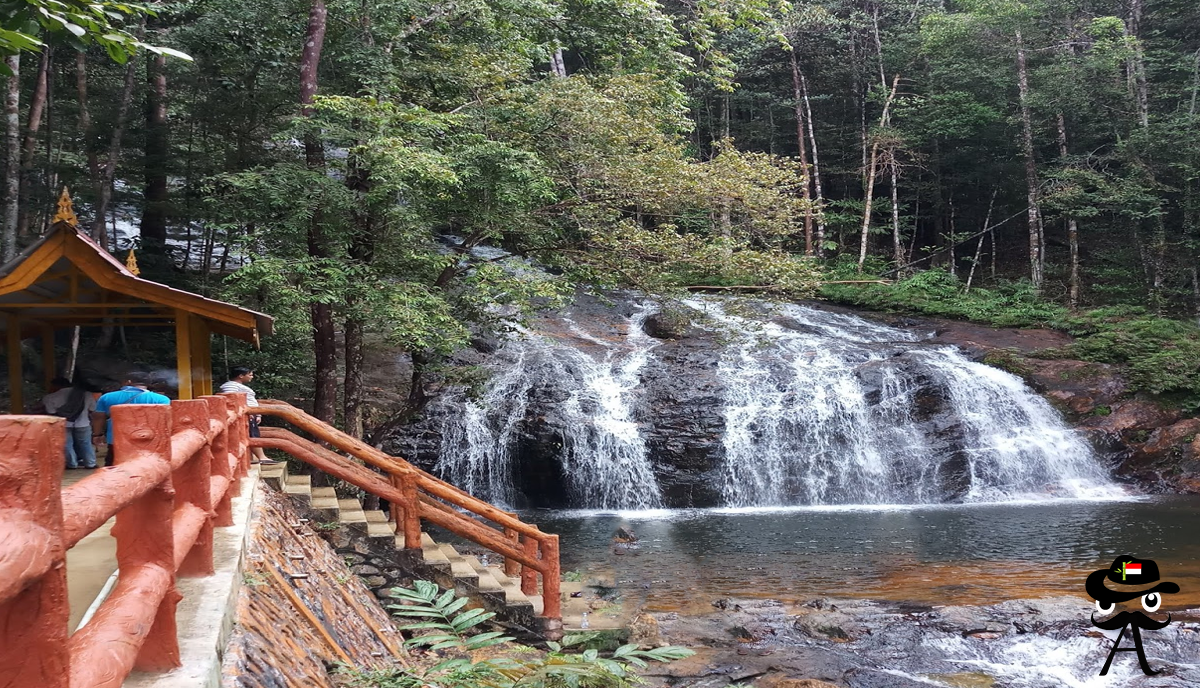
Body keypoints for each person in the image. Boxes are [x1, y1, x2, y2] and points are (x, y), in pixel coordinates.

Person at [91, 371, 171, 466]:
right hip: (149, 440)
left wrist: (97, 435)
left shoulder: (107, 397)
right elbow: (165, 421)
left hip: (116, 440)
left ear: (128, 382)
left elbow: (98, 418)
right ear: (148, 384)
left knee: (114, 468)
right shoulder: (162, 399)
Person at [220, 366, 277, 465]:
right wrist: (247, 411)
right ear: (241, 376)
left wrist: (257, 414)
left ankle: (260, 456)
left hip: (250, 413)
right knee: (253, 435)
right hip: (246, 414)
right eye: (250, 375)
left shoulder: (238, 385)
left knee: (254, 433)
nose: (252, 377)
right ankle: (262, 457)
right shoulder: (230, 386)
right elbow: (231, 398)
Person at [43, 376, 97, 469]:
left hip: (63, 424)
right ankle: (90, 463)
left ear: (56, 385)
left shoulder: (50, 397)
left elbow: (51, 412)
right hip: (83, 423)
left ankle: (72, 464)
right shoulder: (86, 394)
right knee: (85, 443)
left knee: (67, 444)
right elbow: (92, 409)